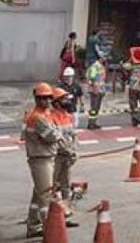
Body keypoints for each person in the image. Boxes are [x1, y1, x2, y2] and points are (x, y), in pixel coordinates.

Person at [22, 83, 62, 238]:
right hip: (41, 158)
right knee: (46, 195)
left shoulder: (45, 114)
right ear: (36, 99)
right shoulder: (37, 117)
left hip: (45, 157)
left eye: (48, 98)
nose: (46, 101)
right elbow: (52, 136)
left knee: (38, 195)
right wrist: (58, 133)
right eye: (42, 98)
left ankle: (33, 226)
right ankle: (49, 229)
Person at [48, 87, 79, 227]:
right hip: (56, 157)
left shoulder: (66, 115)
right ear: (56, 102)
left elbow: (73, 135)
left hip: (67, 156)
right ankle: (49, 217)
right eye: (64, 99)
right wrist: (68, 150)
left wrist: (74, 151)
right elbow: (55, 139)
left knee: (65, 187)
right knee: (51, 187)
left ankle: (65, 215)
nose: (67, 101)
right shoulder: (51, 117)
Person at [84, 56, 107, 130]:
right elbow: (93, 78)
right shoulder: (95, 66)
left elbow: (101, 79)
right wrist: (95, 88)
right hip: (95, 90)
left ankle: (93, 122)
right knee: (94, 108)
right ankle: (91, 124)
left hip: (99, 89)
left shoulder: (100, 66)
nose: (105, 58)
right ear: (100, 58)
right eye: (104, 57)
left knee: (96, 108)